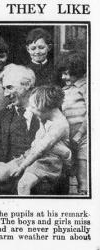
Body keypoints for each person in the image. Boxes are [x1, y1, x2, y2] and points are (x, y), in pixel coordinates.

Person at [0, 64, 40, 194]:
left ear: (27, 85)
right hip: (7, 182)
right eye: (4, 89)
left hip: (38, 179)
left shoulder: (46, 112)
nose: (6, 94)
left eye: (10, 87)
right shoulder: (2, 116)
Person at [13, 85, 72, 195]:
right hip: (38, 157)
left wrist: (22, 166)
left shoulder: (59, 125)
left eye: (34, 107)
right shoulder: (47, 118)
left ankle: (25, 210)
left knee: (23, 185)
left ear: (46, 106)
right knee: (5, 174)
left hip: (48, 162)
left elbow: (40, 149)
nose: (31, 110)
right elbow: (38, 141)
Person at [59, 52, 88, 194]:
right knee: (71, 167)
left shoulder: (85, 86)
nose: (63, 77)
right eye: (62, 74)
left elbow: (92, 112)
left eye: (67, 74)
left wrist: (80, 133)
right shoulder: (65, 90)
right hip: (69, 135)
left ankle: (84, 192)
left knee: (83, 169)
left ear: (77, 71)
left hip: (83, 135)